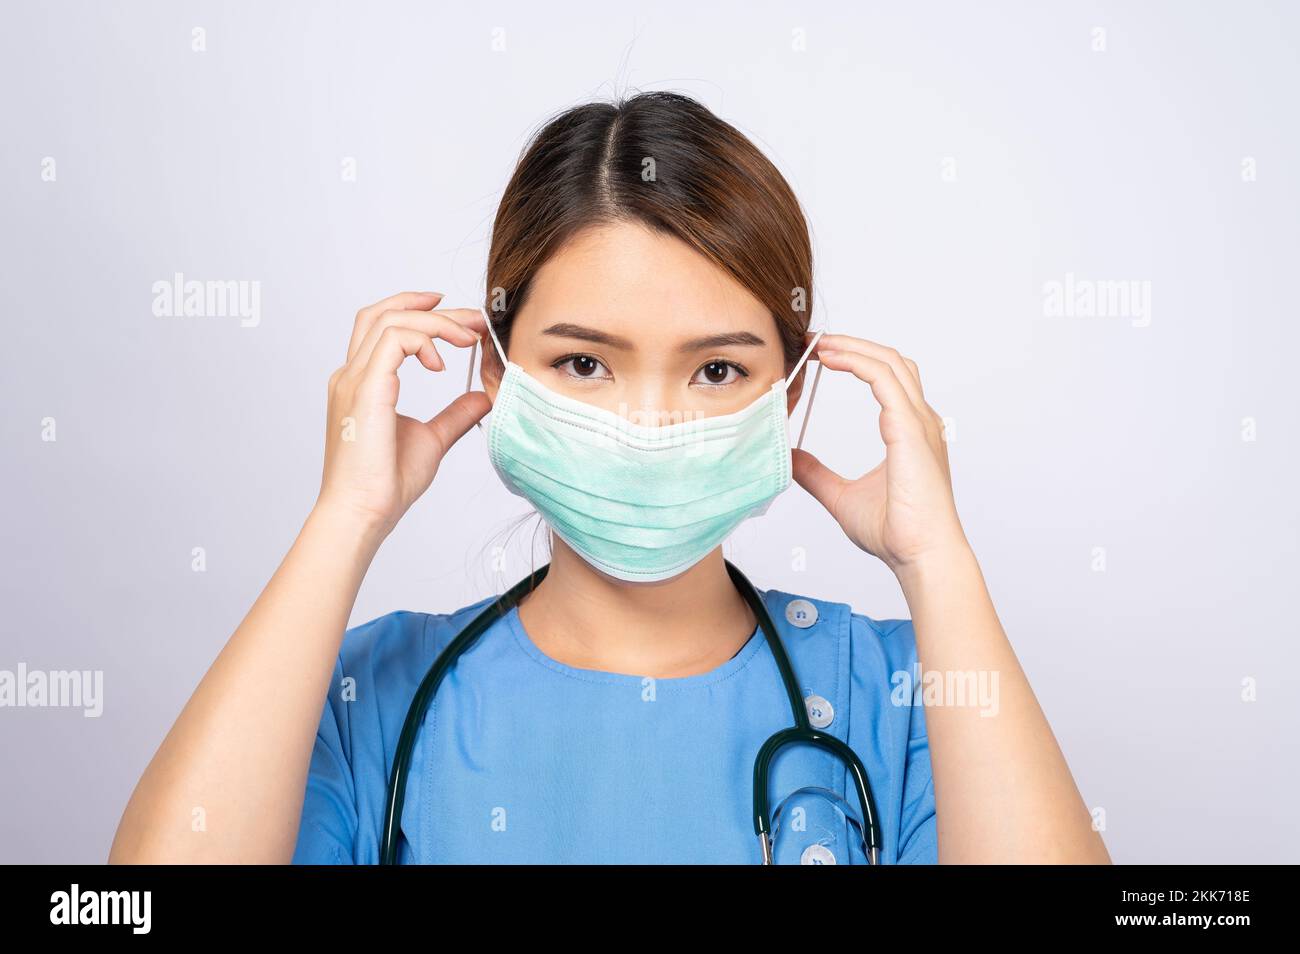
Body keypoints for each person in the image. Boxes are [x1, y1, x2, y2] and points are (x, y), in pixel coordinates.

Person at [109, 91, 1111, 865]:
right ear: (496, 374)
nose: (648, 424)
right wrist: (345, 519)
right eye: (583, 363)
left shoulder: (899, 690)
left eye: (717, 369)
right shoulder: (371, 694)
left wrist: (938, 565)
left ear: (788, 397)